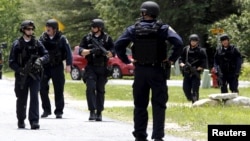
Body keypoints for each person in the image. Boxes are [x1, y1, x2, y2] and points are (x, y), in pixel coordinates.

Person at [114, 1, 183, 141]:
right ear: (155, 13)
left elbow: (118, 45)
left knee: (140, 104)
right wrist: (171, 59)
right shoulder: (164, 28)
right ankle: (158, 137)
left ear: (143, 13)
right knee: (159, 105)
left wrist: (127, 61)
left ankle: (140, 135)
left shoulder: (133, 29)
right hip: (157, 70)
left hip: (140, 71)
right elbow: (179, 43)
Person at [9, 20, 49, 129]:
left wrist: (40, 60)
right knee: (21, 98)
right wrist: (20, 70)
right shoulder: (17, 44)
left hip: (35, 75)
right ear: (23, 30)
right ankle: (21, 119)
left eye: (31, 29)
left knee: (34, 97)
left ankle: (34, 121)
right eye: (28, 29)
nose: (30, 31)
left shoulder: (37, 43)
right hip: (22, 76)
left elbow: (46, 55)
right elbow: (11, 62)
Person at [78, 18, 115, 121]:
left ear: (100, 28)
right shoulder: (87, 38)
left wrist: (105, 52)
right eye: (92, 27)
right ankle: (92, 111)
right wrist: (91, 51)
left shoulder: (107, 38)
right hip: (91, 67)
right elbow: (81, 51)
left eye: (94, 27)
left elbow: (113, 52)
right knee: (90, 88)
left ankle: (99, 112)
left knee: (100, 90)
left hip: (103, 67)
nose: (92, 28)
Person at [39, 19, 72, 118]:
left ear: (55, 29)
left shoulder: (61, 38)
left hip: (57, 66)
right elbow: (38, 50)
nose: (47, 29)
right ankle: (46, 110)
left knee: (58, 89)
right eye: (46, 27)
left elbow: (68, 52)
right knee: (42, 88)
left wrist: (68, 65)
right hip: (45, 66)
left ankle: (59, 111)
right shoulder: (42, 38)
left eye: (49, 27)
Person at [179, 34, 208, 103]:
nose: (193, 42)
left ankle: (195, 103)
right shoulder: (186, 49)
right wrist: (183, 65)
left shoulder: (201, 51)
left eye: (195, 41)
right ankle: (191, 98)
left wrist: (199, 68)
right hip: (187, 73)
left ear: (197, 42)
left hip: (195, 73)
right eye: (192, 41)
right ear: (190, 41)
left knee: (195, 90)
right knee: (185, 89)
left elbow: (204, 62)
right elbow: (180, 59)